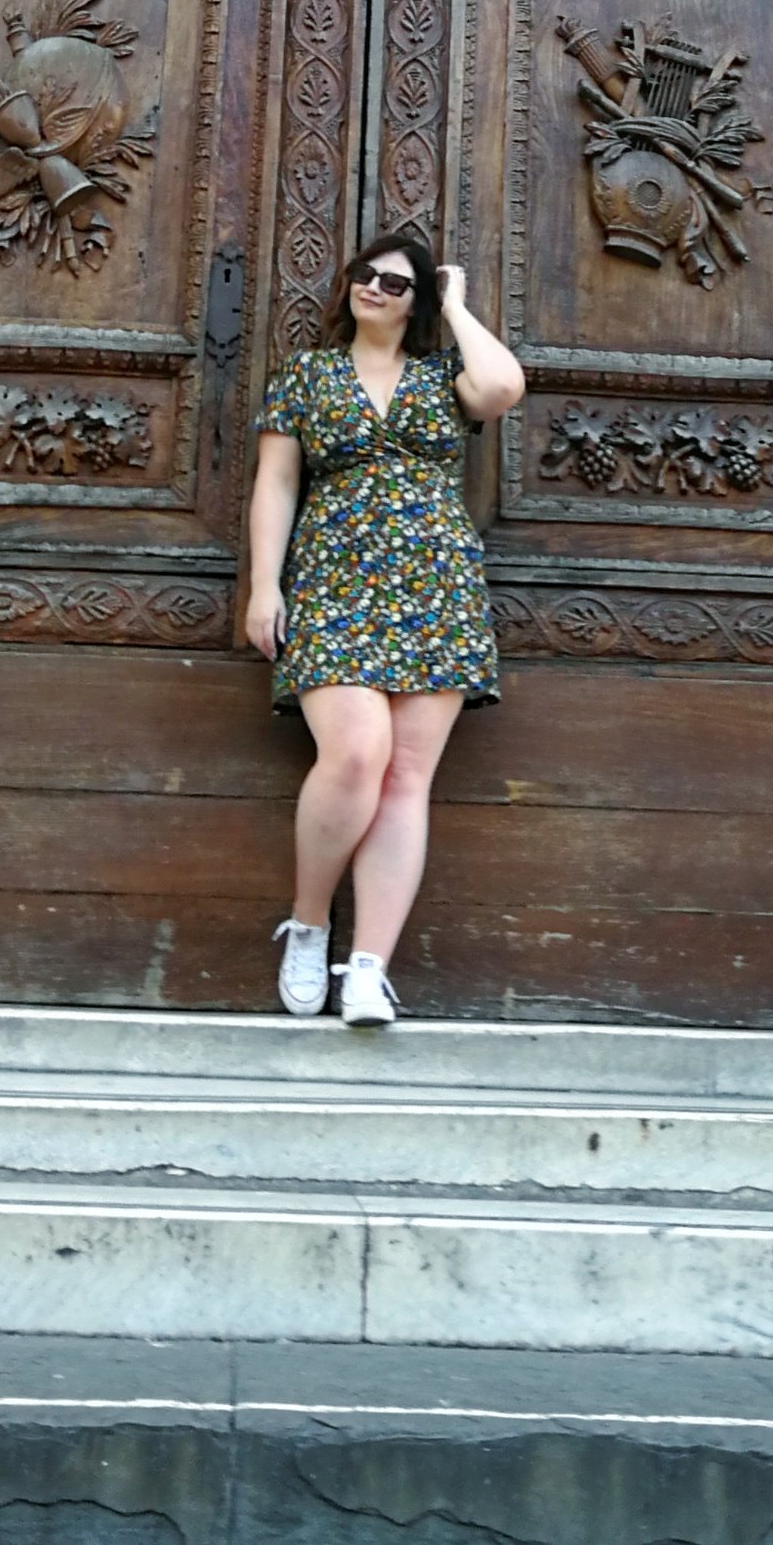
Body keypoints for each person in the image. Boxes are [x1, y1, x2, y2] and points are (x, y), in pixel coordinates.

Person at [245, 234, 526, 1027]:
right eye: (364, 276)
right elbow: (276, 484)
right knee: (356, 754)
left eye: (396, 284)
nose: (374, 288)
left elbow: (503, 387)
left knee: (406, 777)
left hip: (436, 583)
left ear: (417, 302)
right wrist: (265, 586)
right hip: (334, 579)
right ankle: (309, 924)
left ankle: (368, 968)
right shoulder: (307, 374)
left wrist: (456, 305)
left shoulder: (444, 376)